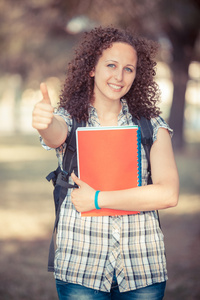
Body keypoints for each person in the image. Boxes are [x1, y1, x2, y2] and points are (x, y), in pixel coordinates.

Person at [32, 26, 179, 300]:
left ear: (138, 75)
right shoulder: (70, 118)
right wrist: (45, 123)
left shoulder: (151, 126)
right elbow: (55, 135)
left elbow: (168, 193)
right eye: (111, 65)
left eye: (129, 69)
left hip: (142, 266)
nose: (119, 76)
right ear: (91, 69)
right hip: (81, 265)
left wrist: (97, 199)